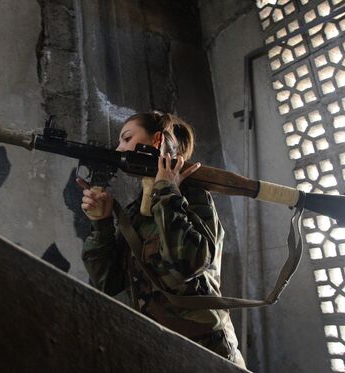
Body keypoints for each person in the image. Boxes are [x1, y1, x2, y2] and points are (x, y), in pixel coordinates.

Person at [77, 111, 246, 368]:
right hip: (159, 353)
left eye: (126, 138)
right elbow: (108, 283)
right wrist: (101, 224)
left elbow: (186, 265)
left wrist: (167, 189)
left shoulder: (191, 196)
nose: (119, 147)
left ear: (156, 141)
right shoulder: (135, 213)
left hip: (207, 354)